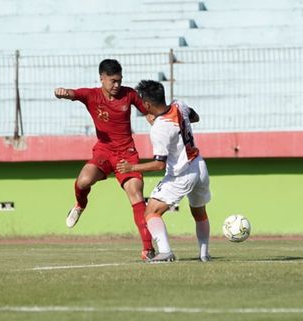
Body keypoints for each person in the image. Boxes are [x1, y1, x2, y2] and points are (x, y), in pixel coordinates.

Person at [54, 59, 155, 260]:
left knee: (135, 194)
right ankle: (80, 205)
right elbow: (73, 94)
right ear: (102, 78)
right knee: (83, 182)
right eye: (113, 81)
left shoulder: (129, 94)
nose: (117, 85)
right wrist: (63, 92)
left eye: (119, 80)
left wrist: (157, 124)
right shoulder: (91, 95)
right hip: (103, 152)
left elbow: (149, 113)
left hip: (126, 154)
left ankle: (148, 249)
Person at [116, 80, 211, 263]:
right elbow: (194, 117)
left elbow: (160, 165)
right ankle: (204, 255)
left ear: (148, 104)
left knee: (151, 212)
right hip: (199, 166)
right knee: (199, 213)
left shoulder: (159, 129)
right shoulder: (179, 104)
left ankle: (165, 251)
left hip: (181, 174)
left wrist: (131, 167)